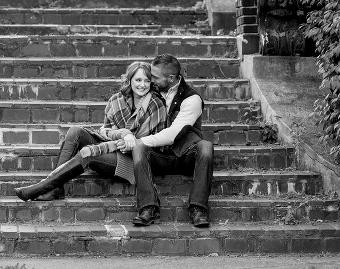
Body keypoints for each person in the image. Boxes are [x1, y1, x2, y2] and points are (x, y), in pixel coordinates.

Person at [14, 61, 166, 202]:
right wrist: (123, 133)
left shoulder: (156, 105)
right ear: (130, 80)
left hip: (133, 160)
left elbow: (159, 144)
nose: (143, 85)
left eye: (147, 80)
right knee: (75, 132)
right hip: (111, 146)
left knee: (88, 153)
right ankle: (56, 188)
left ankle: (43, 186)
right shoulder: (116, 100)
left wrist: (131, 142)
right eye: (138, 80)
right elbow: (105, 130)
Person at [114, 54, 213, 228]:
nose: (150, 81)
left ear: (171, 78)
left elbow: (173, 134)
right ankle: (148, 208)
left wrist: (139, 140)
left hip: (184, 155)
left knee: (205, 147)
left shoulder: (192, 99)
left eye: (155, 77)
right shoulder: (151, 93)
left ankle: (198, 209)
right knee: (139, 149)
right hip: (158, 156)